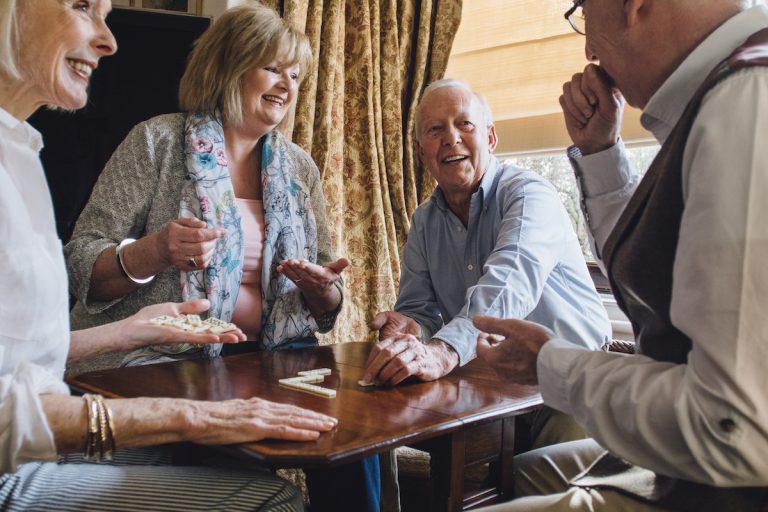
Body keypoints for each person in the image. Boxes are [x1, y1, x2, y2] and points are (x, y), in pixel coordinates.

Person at [0, 0, 339, 510]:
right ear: (228, 65)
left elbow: (331, 294)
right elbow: (82, 267)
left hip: (267, 369)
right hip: (160, 370)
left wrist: (325, 291)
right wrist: (152, 252)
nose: (288, 85)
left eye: (296, 74)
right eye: (273, 67)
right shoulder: (156, 141)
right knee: (273, 495)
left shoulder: (299, 169)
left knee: (346, 451)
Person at [473, 1, 768, 510]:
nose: (588, 48)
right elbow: (655, 278)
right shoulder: (725, 94)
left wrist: (552, 365)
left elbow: (730, 427)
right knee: (526, 472)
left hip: (732, 482)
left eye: (584, 12)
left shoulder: (745, 100)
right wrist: (600, 152)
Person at [363, 78, 611, 511]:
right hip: (489, 389)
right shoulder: (424, 222)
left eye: (465, 124)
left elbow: (507, 287)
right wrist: (410, 328)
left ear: (491, 137)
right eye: (435, 129)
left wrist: (440, 351)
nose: (451, 138)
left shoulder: (531, 195)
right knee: (380, 432)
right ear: (423, 151)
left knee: (534, 494)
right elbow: (419, 307)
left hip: (565, 380)